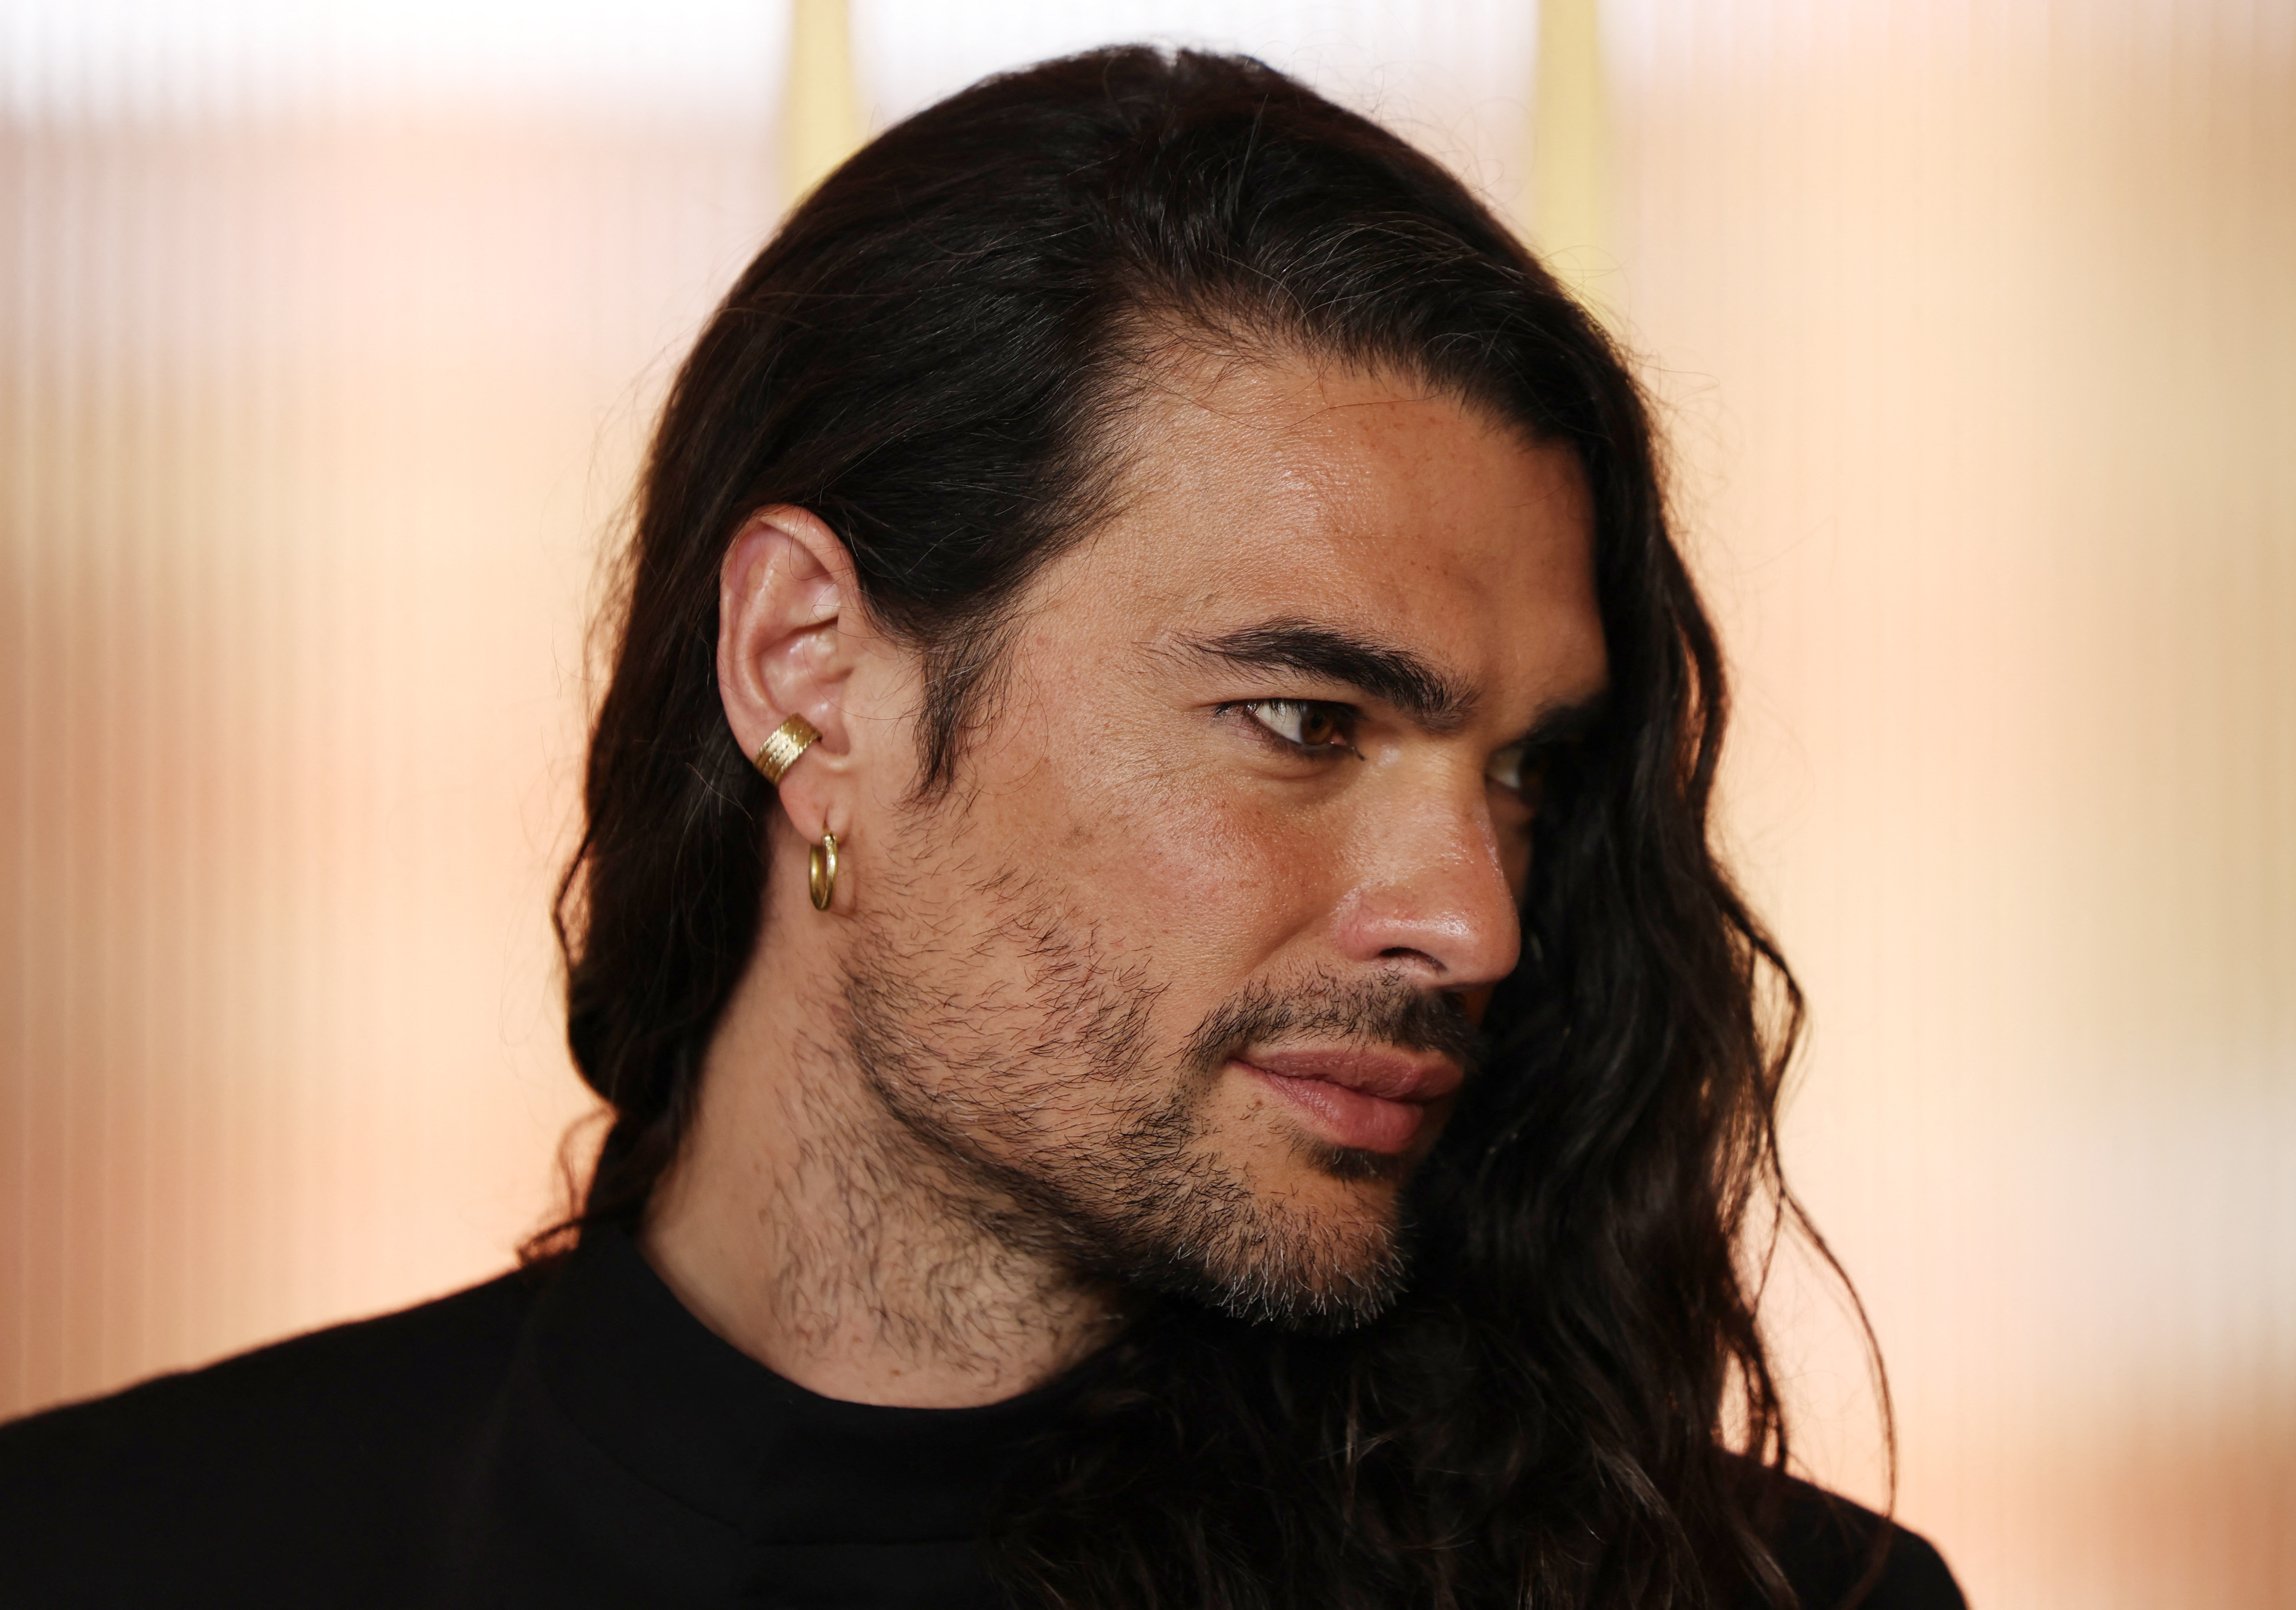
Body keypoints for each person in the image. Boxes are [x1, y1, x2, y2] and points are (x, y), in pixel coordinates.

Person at [0, 47, 1965, 1610]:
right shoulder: (109, 1549)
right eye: (1304, 718)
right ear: (810, 673)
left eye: (1525, 772)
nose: (1473, 919)